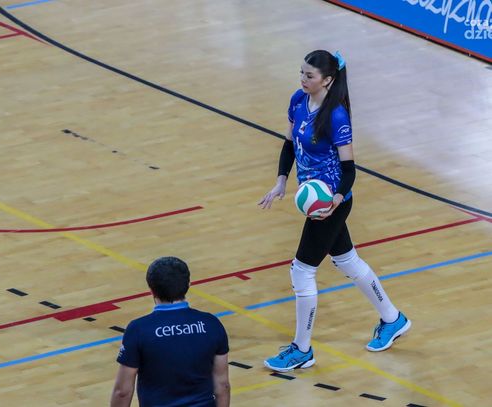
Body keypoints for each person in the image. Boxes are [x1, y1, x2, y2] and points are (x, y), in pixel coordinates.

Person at [258, 50, 411, 372]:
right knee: (346, 260)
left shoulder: (337, 116)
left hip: (331, 201)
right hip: (313, 197)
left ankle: (302, 349)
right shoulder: (297, 100)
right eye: (301, 73)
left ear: (327, 80)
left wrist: (336, 201)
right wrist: (281, 181)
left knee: (302, 270)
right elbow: (289, 145)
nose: (302, 79)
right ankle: (393, 319)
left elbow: (350, 170)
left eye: (309, 76)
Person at [110, 256, 230, 406]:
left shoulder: (138, 330)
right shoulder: (211, 324)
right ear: (188, 285)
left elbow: (122, 392)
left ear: (151, 290)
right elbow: (222, 385)